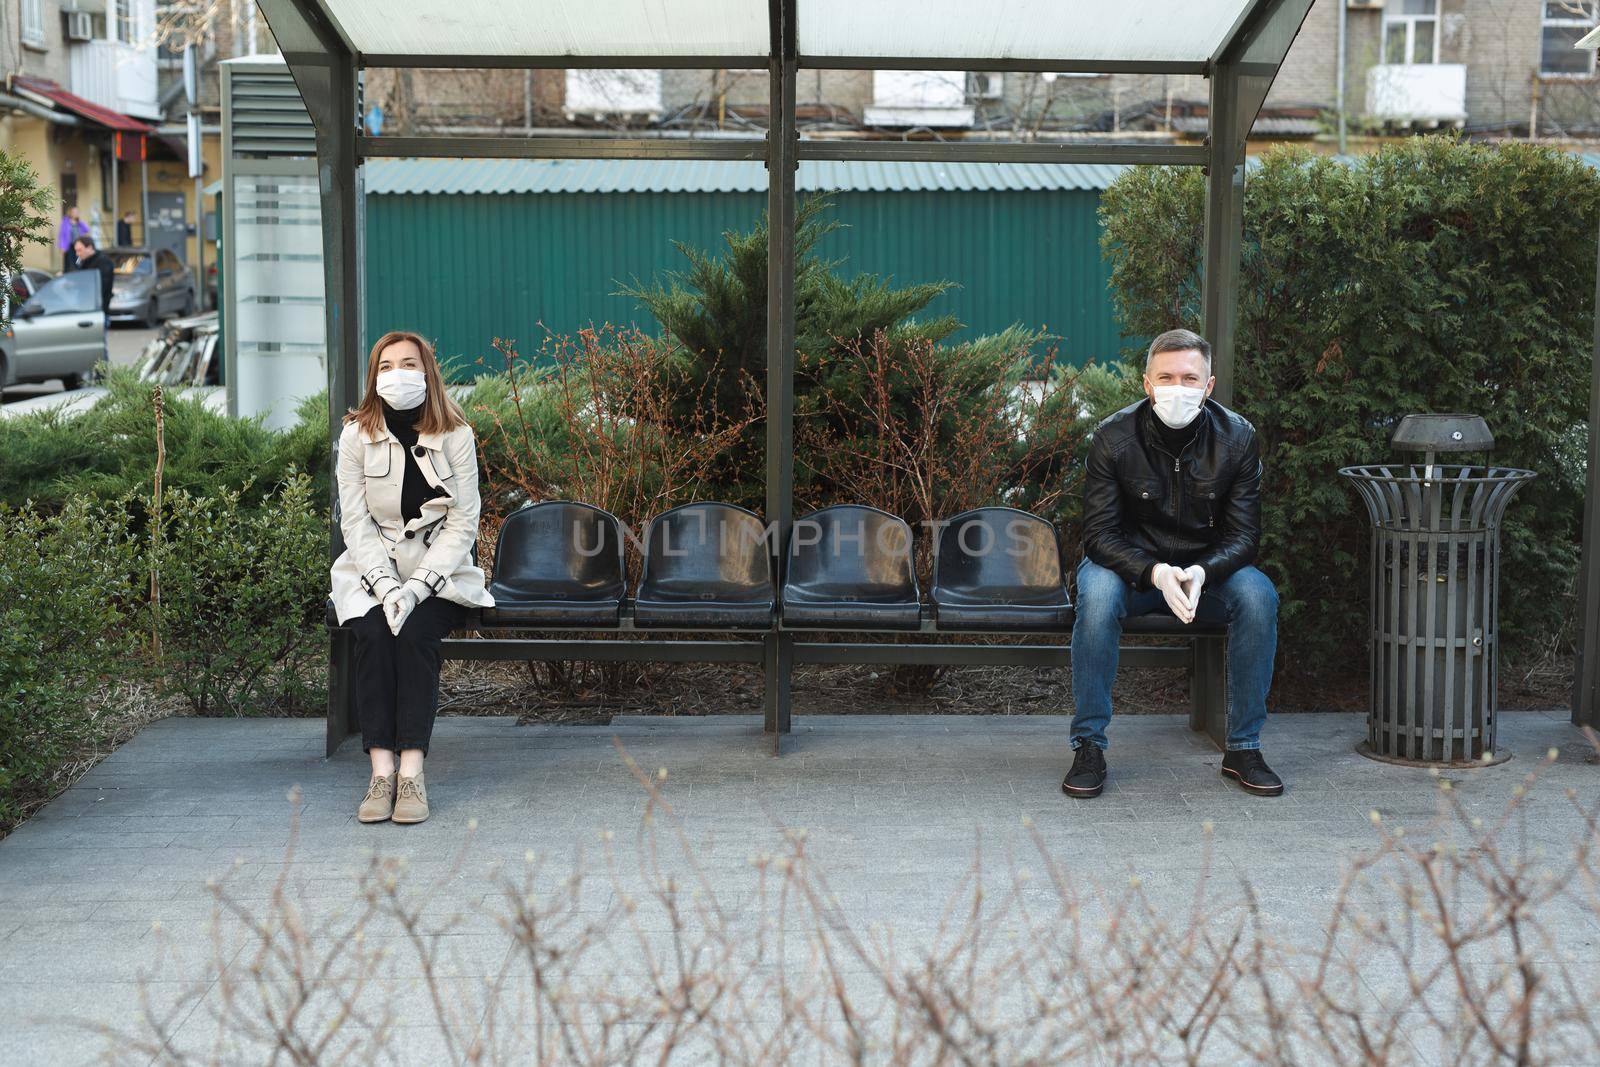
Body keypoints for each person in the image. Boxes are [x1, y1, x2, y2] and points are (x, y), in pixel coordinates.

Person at [1063, 328, 1283, 799]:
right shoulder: (1112, 437)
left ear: (1209, 385)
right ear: (1146, 383)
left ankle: (1243, 747)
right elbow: (1099, 536)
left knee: (1259, 595)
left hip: (1207, 573)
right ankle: (1089, 745)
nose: (1177, 388)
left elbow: (1245, 535)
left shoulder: (1238, 438)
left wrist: (1202, 572)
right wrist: (1155, 572)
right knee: (1097, 595)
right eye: (1166, 376)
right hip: (1131, 572)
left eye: (1189, 378)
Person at [330, 331, 494, 824]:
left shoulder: (457, 435)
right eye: (385, 366)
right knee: (375, 634)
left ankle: (411, 774)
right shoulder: (355, 435)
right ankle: (381, 771)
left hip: (440, 575)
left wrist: (418, 586)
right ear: (373, 376)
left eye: (407, 364)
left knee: (417, 635)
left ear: (427, 372)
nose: (395, 375)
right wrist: (384, 586)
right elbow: (354, 521)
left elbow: (463, 522)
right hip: (369, 571)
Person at [71, 234, 114, 314]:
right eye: (76, 251)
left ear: (89, 248)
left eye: (79, 250)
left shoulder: (103, 262)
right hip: (85, 306)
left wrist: (76, 284)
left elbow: (101, 286)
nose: (77, 254)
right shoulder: (84, 261)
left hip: (97, 310)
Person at [57, 206, 88, 271]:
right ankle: (68, 274)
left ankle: (78, 273)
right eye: (74, 212)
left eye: (77, 212)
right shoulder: (65, 221)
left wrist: (80, 221)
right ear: (70, 213)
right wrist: (62, 247)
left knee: (78, 261)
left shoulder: (79, 222)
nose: (76, 213)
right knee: (69, 262)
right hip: (69, 245)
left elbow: (86, 229)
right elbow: (62, 234)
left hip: (78, 245)